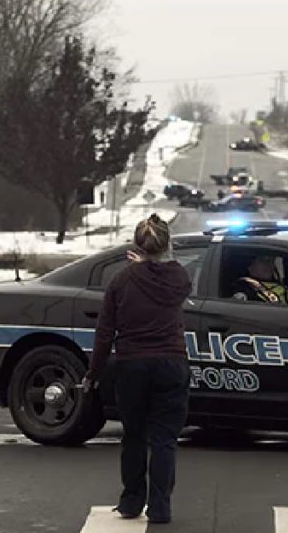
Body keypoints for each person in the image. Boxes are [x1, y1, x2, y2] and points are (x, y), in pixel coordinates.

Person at [82, 214, 192, 524]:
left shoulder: (121, 281)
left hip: (132, 365)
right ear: (168, 244)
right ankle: (160, 507)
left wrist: (93, 374)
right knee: (164, 440)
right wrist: (147, 263)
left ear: (137, 246)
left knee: (133, 436)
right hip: (171, 363)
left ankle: (131, 501)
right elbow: (167, 273)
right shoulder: (179, 278)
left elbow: (105, 333)